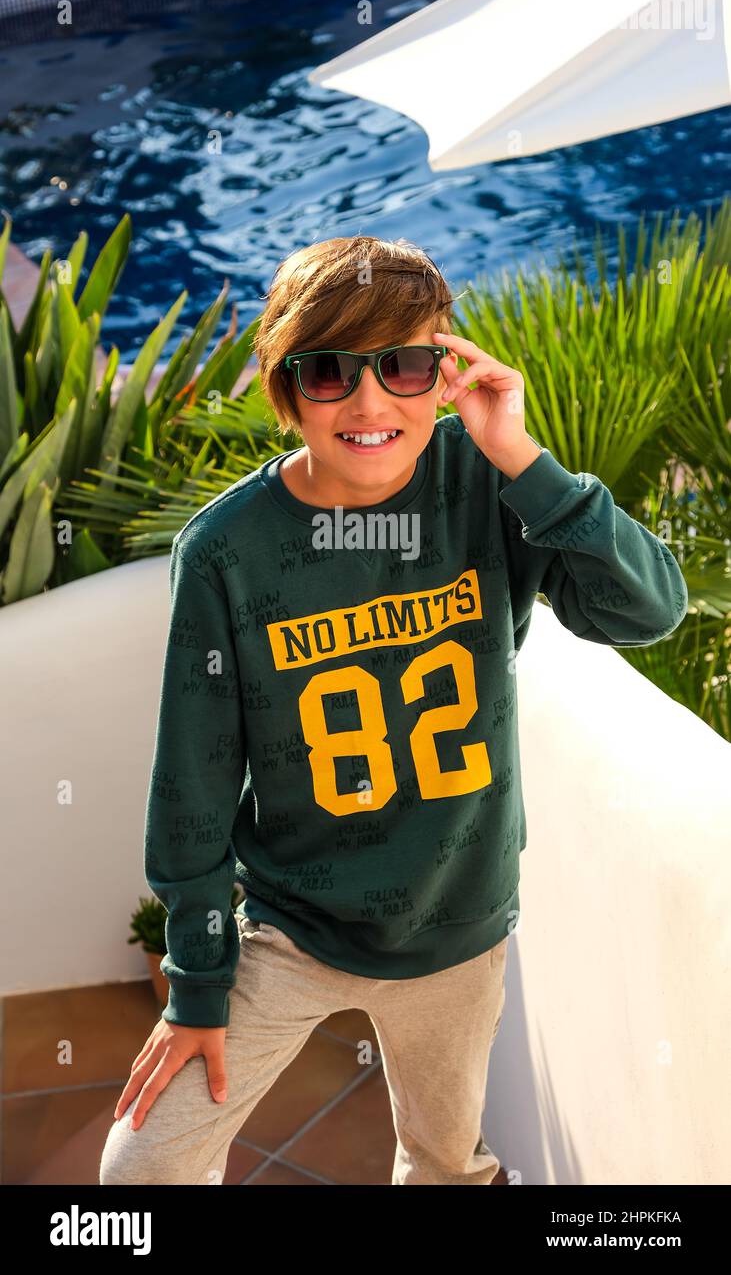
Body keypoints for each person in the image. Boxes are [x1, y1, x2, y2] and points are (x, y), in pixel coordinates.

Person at [99, 236, 688, 1186]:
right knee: (142, 1172)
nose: (370, 403)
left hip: (459, 929)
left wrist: (520, 454)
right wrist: (196, 986)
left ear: (444, 371)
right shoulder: (225, 551)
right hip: (292, 928)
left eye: (404, 365)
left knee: (446, 1165)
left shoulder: (486, 483)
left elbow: (646, 610)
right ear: (284, 390)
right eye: (328, 372)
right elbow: (195, 784)